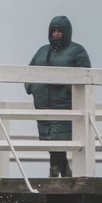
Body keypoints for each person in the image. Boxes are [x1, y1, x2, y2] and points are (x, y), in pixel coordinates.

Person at [25, 15, 91, 177]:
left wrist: (66, 89)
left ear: (66, 32)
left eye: (59, 31)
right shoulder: (42, 51)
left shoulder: (77, 51)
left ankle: (54, 172)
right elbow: (28, 71)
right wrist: (31, 87)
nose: (55, 34)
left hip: (63, 104)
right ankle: (64, 170)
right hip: (42, 104)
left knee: (58, 136)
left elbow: (85, 76)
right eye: (53, 30)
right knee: (48, 137)